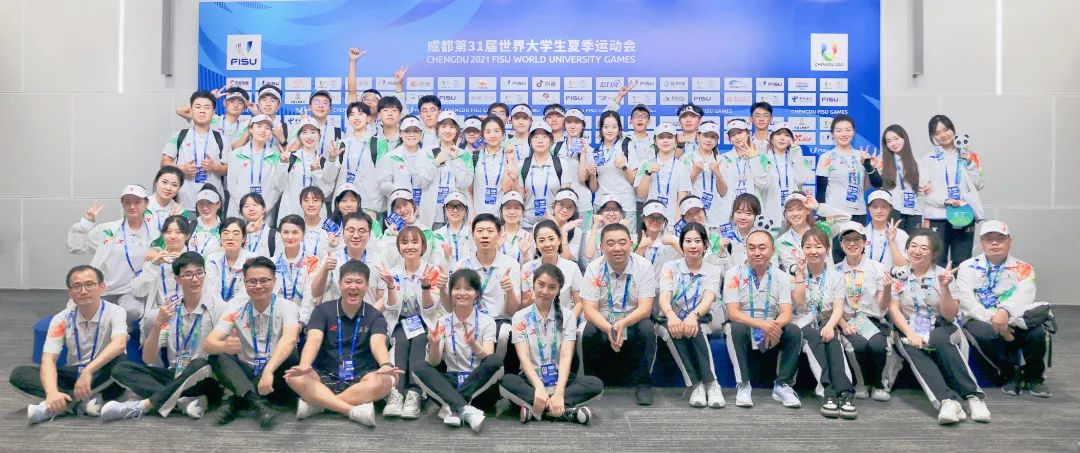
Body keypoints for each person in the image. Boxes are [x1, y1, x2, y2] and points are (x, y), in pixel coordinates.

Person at [100, 252, 226, 421]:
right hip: (174, 374)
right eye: (188, 274)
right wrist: (158, 323)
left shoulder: (218, 307)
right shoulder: (170, 307)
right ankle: (180, 402)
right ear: (177, 279)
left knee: (200, 363)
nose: (195, 279)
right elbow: (148, 357)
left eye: (199, 273)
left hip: (204, 378)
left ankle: (144, 405)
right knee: (121, 368)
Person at [889, 230, 991, 424]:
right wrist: (910, 333)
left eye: (924, 248)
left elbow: (950, 315)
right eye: (913, 246)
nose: (917, 251)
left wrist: (944, 287)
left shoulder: (943, 274)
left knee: (939, 338)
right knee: (911, 345)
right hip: (910, 326)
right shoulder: (898, 275)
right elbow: (894, 309)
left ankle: (973, 397)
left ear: (933, 253)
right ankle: (947, 401)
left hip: (942, 325)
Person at [285, 260, 402, 427]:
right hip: (325, 373)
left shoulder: (374, 315)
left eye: (359, 282)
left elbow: (378, 343)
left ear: (366, 286)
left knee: (386, 380)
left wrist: (384, 364)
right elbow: (313, 341)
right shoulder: (323, 310)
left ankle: (318, 405)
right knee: (294, 377)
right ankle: (350, 410)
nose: (353, 287)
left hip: (361, 376)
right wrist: (304, 365)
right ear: (339, 284)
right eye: (348, 282)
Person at [13, 265, 128, 424]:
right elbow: (48, 359)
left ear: (102, 287)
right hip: (75, 374)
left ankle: (56, 407)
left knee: (121, 362)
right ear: (70, 293)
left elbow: (119, 344)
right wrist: (52, 392)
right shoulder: (61, 319)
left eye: (89, 284)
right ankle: (72, 402)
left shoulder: (116, 312)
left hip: (104, 376)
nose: (83, 291)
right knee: (19, 374)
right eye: (77, 286)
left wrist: (88, 370)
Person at [957, 221, 1051, 397]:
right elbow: (967, 301)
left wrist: (1005, 312)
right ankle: (1011, 372)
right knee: (985, 334)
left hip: (1014, 316)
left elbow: (1025, 295)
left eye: (1000, 238)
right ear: (981, 242)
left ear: (1010, 242)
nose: (994, 243)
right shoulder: (966, 267)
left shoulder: (1024, 268)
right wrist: (995, 319)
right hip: (980, 317)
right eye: (989, 239)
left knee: (1037, 333)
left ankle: (1035, 377)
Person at [204, 257, 301, 428]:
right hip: (247, 372)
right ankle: (257, 403)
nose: (258, 286)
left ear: (274, 281)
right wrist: (224, 346)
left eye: (264, 280)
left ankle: (237, 399)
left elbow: (290, 338)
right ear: (244, 283)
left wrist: (268, 371)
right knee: (216, 354)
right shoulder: (235, 309)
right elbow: (208, 343)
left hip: (273, 375)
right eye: (252, 281)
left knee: (291, 354)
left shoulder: (288, 307)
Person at [500, 264, 601, 424]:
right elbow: (524, 359)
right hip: (531, 381)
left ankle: (537, 410)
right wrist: (539, 387)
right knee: (507, 381)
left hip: (561, 380)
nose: (545, 291)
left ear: (558, 290)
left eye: (552, 287)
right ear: (533, 285)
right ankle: (566, 411)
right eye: (541, 285)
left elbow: (566, 356)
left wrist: (559, 392)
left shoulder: (568, 316)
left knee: (595, 384)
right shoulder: (520, 317)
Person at [413, 269, 503, 432]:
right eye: (457, 288)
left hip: (479, 385)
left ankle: (453, 406)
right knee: (419, 367)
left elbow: (488, 358)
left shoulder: (487, 322)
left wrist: (474, 344)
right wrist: (435, 344)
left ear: (477, 293)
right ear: (450, 292)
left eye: (468, 288)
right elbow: (434, 362)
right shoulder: (443, 322)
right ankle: (465, 410)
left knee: (496, 362)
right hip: (452, 381)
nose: (462, 293)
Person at [579, 223, 658, 405]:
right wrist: (609, 328)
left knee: (647, 327)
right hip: (603, 322)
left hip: (632, 320)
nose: (617, 248)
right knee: (588, 330)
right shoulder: (594, 268)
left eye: (622, 243)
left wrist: (622, 324)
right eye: (611, 243)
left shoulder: (644, 266)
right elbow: (589, 310)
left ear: (631, 244)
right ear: (601, 246)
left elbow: (645, 308)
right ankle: (592, 385)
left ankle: (643, 384)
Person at [723, 229, 802, 408]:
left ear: (772, 250)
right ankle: (743, 385)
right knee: (733, 328)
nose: (757, 252)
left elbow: (786, 313)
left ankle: (783, 386)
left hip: (770, 328)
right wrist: (762, 325)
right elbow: (733, 313)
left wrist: (773, 326)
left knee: (794, 331)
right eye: (751, 248)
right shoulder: (733, 274)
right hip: (746, 325)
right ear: (746, 250)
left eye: (762, 248)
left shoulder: (782, 277)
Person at [378, 225, 446, 419]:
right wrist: (391, 286)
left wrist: (425, 287)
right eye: (405, 242)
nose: (410, 246)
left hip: (425, 322)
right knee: (400, 344)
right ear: (399, 247)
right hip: (401, 322)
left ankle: (415, 392)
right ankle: (396, 393)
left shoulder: (432, 271)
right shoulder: (392, 273)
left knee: (419, 342)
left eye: (415, 242)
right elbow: (391, 307)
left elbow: (430, 309)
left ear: (423, 246)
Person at [790, 228, 857, 419]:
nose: (813, 251)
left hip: (824, 321)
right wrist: (800, 275)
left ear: (827, 250)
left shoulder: (836, 276)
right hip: (800, 323)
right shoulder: (794, 273)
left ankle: (845, 392)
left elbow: (838, 309)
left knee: (833, 339)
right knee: (816, 338)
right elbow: (799, 301)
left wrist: (829, 326)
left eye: (818, 246)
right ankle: (828, 391)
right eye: (808, 247)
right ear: (802, 249)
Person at [656, 223, 725, 408]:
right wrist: (672, 316)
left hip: (698, 317)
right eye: (688, 241)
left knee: (695, 328)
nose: (693, 245)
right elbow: (664, 297)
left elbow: (708, 299)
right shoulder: (670, 267)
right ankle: (696, 385)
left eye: (697, 241)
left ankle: (712, 384)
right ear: (682, 244)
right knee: (673, 330)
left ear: (705, 244)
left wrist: (693, 316)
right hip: (669, 317)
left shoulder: (712, 270)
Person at [68, 184, 152, 322]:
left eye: (137, 202)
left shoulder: (154, 234)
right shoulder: (108, 230)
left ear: (146, 203)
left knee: (132, 311)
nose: (132, 206)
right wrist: (86, 223)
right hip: (103, 289)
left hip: (130, 291)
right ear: (122, 204)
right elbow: (75, 246)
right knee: (89, 315)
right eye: (127, 202)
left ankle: (121, 329)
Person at [449, 214, 522, 370]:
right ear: (472, 235)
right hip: (470, 318)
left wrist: (509, 290)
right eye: (480, 231)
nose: (484, 235)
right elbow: (453, 304)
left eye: (490, 231)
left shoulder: (511, 265)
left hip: (500, 320)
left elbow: (511, 311)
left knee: (503, 333)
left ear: (499, 234)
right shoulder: (462, 265)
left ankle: (496, 370)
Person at [831, 221, 894, 401]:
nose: (852, 243)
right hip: (847, 320)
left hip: (872, 320)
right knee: (857, 345)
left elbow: (882, 306)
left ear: (865, 242)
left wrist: (887, 288)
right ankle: (861, 383)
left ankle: (879, 384)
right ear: (841, 244)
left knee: (878, 346)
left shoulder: (877, 268)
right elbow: (832, 306)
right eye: (847, 239)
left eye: (857, 239)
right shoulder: (835, 271)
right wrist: (843, 325)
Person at [921, 114, 985, 266]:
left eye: (946, 129)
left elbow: (979, 184)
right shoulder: (928, 158)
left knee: (962, 262)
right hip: (937, 216)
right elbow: (924, 191)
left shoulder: (971, 156)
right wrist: (945, 201)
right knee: (936, 262)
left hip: (963, 214)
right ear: (933, 136)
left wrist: (969, 163)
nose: (943, 135)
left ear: (953, 129)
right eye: (937, 133)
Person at [307, 212, 387, 324]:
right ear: (343, 233)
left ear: (369, 234)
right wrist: (325, 269)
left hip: (366, 321)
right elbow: (316, 293)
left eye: (362, 231)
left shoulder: (378, 261)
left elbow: (382, 297)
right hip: (336, 320)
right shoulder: (332, 258)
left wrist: (369, 318)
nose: (356, 235)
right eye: (351, 230)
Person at [162, 90, 228, 211]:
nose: (202, 111)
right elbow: (164, 163)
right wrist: (181, 168)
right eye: (198, 107)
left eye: (207, 107)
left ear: (213, 112)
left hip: (213, 205)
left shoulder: (221, 138)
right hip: (183, 204)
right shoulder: (179, 135)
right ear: (191, 111)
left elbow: (229, 169)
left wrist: (215, 167)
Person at [132, 215, 192, 342]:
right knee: (150, 317)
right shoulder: (155, 257)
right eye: (168, 232)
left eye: (178, 232)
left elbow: (203, 290)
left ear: (187, 236)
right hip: (159, 308)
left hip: (186, 308)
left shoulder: (195, 258)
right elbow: (137, 291)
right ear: (163, 234)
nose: (172, 236)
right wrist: (153, 265)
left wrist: (187, 266)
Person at [814, 114, 883, 224]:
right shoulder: (826, 157)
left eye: (848, 130)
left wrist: (869, 166)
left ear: (853, 132)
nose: (844, 134)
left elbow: (874, 185)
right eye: (839, 131)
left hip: (858, 212)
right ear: (832, 134)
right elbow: (821, 192)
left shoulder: (862, 156)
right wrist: (822, 218)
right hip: (834, 213)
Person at [375, 116, 439, 226]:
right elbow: (383, 185)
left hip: (425, 211)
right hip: (401, 211)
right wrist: (403, 195)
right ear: (400, 133)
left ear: (421, 134)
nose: (411, 135)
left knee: (424, 235)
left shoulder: (430, 156)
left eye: (415, 131)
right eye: (407, 131)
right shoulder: (390, 157)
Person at [275, 117, 337, 219]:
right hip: (290, 213)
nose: (309, 136)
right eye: (304, 132)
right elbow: (278, 186)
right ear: (299, 136)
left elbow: (326, 192)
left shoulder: (324, 161)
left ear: (319, 135)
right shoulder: (289, 158)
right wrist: (283, 164)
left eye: (313, 132)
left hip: (316, 216)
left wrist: (316, 172)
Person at [334, 102, 385, 220]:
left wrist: (374, 208)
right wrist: (331, 159)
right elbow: (331, 177)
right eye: (352, 114)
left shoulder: (378, 143)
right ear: (348, 119)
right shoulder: (342, 144)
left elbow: (382, 177)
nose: (356, 117)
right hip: (344, 205)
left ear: (368, 118)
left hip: (369, 206)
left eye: (360, 114)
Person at [715, 119, 771, 227]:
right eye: (733, 135)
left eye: (740, 132)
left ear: (748, 133)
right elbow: (721, 192)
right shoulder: (723, 159)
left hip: (753, 212)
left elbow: (763, 184)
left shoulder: (761, 157)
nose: (737, 137)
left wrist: (753, 158)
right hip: (729, 213)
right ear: (729, 139)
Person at [521, 220, 584, 315]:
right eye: (541, 240)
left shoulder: (572, 267)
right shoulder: (527, 268)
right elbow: (524, 303)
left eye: (551, 239)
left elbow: (579, 303)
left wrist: (568, 321)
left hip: (563, 319)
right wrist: (530, 301)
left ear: (559, 240)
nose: (547, 244)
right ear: (536, 244)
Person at [226, 114, 283, 217]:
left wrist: (263, 209)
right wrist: (245, 208)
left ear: (270, 132)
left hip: (265, 213)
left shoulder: (276, 156)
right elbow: (232, 185)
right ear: (251, 129)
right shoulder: (236, 154)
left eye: (267, 128)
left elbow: (277, 188)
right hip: (238, 213)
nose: (263, 130)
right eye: (259, 126)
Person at [516, 121, 567, 230]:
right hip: (527, 224)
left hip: (553, 224)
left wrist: (559, 221)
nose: (540, 140)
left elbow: (565, 198)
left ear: (551, 140)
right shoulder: (522, 164)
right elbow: (520, 198)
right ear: (530, 142)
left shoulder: (561, 163)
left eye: (544, 136)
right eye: (535, 137)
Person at [634, 122, 690, 222]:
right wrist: (647, 173)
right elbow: (641, 195)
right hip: (650, 221)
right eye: (661, 137)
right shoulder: (646, 164)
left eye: (669, 137)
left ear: (675, 140)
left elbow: (681, 200)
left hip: (672, 221)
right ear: (655, 141)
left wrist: (677, 223)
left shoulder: (681, 167)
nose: (665, 140)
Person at [587, 111, 636, 223]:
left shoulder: (627, 146)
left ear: (619, 129)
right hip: (602, 205)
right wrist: (593, 175)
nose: (610, 130)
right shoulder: (596, 151)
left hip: (625, 205)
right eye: (606, 127)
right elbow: (593, 189)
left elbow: (634, 181)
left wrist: (624, 167)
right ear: (601, 129)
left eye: (614, 126)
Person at [430, 111, 475, 228]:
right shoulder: (428, 152)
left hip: (457, 213)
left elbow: (464, 183)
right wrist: (436, 163)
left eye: (452, 127)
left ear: (457, 131)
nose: (447, 130)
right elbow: (421, 182)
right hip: (434, 215)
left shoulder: (464, 155)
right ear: (437, 129)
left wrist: (455, 159)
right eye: (443, 126)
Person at [764, 125, 814, 226]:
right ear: (772, 138)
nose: (782, 138)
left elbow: (802, 179)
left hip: (793, 212)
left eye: (787, 135)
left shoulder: (796, 156)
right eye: (778, 134)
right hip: (769, 212)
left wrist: (796, 153)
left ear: (791, 140)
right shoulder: (763, 158)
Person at [683, 121, 727, 229]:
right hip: (693, 212)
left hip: (716, 212)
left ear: (717, 140)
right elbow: (682, 189)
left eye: (713, 137)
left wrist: (718, 174)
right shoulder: (687, 158)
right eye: (705, 135)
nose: (709, 140)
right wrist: (694, 173)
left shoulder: (722, 160)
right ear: (698, 136)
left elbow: (723, 192)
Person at [880, 124, 922, 233]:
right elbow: (876, 184)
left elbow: (923, 187)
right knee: (894, 241)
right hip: (894, 210)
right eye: (889, 141)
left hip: (914, 210)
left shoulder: (918, 162)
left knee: (913, 242)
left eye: (896, 138)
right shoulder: (882, 162)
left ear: (904, 138)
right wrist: (871, 168)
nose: (893, 143)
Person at [205, 217, 256, 303]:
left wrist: (229, 309)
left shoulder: (253, 260)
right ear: (220, 237)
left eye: (236, 234)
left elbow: (246, 294)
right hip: (216, 308)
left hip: (244, 308)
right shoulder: (212, 260)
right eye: (225, 233)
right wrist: (221, 309)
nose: (230, 237)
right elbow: (212, 291)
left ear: (244, 238)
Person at [272, 215, 319, 308]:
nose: (290, 237)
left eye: (295, 232)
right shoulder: (272, 263)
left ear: (303, 235)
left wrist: (302, 317)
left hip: (304, 313)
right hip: (277, 313)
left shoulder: (313, 261)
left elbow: (310, 297)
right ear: (280, 234)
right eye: (286, 232)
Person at [472, 116, 513, 216]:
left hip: (501, 217)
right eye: (488, 132)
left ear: (503, 133)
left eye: (496, 131)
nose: (492, 135)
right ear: (483, 135)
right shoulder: (475, 156)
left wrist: (509, 160)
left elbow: (507, 189)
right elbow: (469, 190)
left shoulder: (509, 156)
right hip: (478, 216)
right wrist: (472, 213)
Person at [865, 190, 909, 269]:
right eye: (875, 207)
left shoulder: (901, 234)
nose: (879, 211)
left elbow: (904, 267)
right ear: (869, 208)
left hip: (891, 276)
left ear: (890, 209)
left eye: (884, 207)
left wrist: (892, 241)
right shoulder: (861, 233)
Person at [433, 191, 475, 269]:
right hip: (445, 276)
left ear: (465, 210)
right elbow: (435, 265)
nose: (455, 210)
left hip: (468, 275)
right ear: (445, 209)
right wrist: (446, 257)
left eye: (459, 206)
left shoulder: (472, 233)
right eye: (451, 206)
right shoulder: (437, 235)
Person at [146, 166, 189, 233]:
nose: (168, 188)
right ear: (156, 182)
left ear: (179, 188)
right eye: (164, 182)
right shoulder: (143, 206)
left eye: (174, 185)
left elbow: (182, 237)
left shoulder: (181, 212)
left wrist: (175, 220)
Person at [497, 191, 533, 263]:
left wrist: (525, 254)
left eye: (517, 208)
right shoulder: (495, 234)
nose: (512, 212)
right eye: (508, 208)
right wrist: (496, 248)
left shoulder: (528, 237)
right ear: (501, 211)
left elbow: (530, 267)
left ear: (522, 212)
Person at [237, 193, 276, 258]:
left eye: (255, 205)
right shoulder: (237, 234)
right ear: (241, 212)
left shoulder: (275, 235)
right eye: (246, 206)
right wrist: (245, 232)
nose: (251, 209)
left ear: (264, 209)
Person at [297, 186, 331, 260]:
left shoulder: (330, 227)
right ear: (301, 204)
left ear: (322, 204)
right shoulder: (296, 227)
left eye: (315, 200)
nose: (311, 204)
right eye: (306, 200)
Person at [189, 186, 223, 256]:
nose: (205, 208)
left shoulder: (225, 228)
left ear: (218, 204)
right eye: (201, 203)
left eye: (209, 203)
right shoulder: (189, 225)